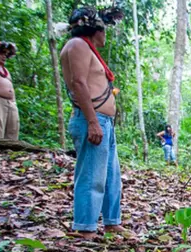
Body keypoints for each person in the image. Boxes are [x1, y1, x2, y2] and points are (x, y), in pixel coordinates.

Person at [60, 6, 133, 239]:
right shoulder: (78, 45)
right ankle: (84, 227)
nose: (106, 34)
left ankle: (112, 222)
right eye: (104, 29)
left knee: (111, 176)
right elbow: (79, 83)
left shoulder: (87, 48)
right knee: (92, 175)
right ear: (94, 29)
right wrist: (92, 121)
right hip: (92, 119)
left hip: (104, 121)